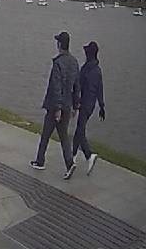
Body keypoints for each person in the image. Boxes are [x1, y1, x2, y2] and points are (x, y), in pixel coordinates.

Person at [33, 31, 79, 179]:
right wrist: (75, 106)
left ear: (59, 44)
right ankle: (69, 163)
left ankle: (40, 161)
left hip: (55, 107)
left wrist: (57, 108)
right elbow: (77, 86)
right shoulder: (74, 62)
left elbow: (56, 86)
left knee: (46, 134)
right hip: (67, 105)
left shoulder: (58, 63)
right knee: (64, 136)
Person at [71, 41, 106, 175]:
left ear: (89, 54)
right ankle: (73, 156)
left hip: (84, 104)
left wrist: (75, 102)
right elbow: (100, 90)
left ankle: (89, 155)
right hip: (91, 105)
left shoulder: (86, 69)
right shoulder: (97, 70)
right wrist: (101, 106)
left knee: (80, 131)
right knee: (79, 129)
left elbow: (78, 86)